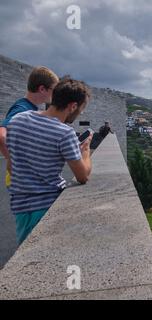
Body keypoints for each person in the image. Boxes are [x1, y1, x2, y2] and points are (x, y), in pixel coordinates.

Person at [6, 77, 93, 244]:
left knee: (26, 251)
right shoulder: (64, 133)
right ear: (73, 106)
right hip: (46, 206)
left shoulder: (18, 120)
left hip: (19, 205)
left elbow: (11, 164)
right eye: (81, 109)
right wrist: (86, 152)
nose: (80, 113)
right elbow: (82, 176)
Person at [0, 67, 59, 188]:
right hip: (20, 181)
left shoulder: (29, 107)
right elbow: (1, 135)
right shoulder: (22, 109)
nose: (55, 94)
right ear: (42, 89)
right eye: (54, 90)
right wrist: (16, 165)